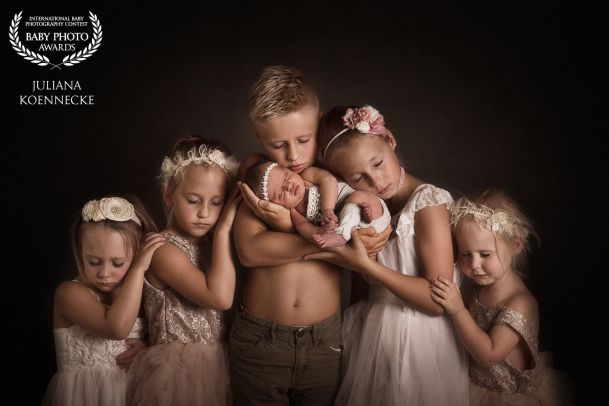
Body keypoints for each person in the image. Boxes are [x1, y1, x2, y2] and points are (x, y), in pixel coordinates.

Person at [231, 66, 391, 406]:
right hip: (262, 338)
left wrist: (304, 232)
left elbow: (364, 235)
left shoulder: (337, 175)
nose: (293, 156)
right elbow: (251, 251)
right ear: (260, 139)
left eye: (303, 140)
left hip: (325, 341)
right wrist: (324, 241)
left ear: (317, 124)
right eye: (278, 144)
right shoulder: (264, 182)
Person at [306, 104, 469, 405]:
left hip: (418, 339)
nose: (376, 182)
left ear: (390, 141)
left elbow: (437, 302)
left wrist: (360, 263)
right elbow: (359, 290)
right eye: (359, 178)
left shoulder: (428, 204)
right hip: (369, 334)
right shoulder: (359, 210)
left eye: (378, 163)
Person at [430, 189, 576, 406]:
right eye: (465, 254)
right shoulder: (478, 288)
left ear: (516, 245)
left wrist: (458, 310)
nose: (474, 265)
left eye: (485, 254)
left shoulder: (521, 302)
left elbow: (489, 355)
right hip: (474, 384)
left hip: (506, 397)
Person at [126, 136, 241, 405]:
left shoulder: (211, 245)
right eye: (193, 200)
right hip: (176, 371)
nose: (205, 213)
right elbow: (220, 298)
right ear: (168, 194)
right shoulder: (162, 250)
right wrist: (223, 229)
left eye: (216, 203)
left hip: (219, 364)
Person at [43, 196, 165, 406]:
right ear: (80, 253)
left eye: (117, 263)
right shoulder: (69, 293)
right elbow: (116, 328)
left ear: (135, 254)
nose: (105, 273)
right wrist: (137, 268)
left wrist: (144, 349)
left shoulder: (138, 295)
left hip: (131, 394)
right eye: (94, 262)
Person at [244, 159, 391, 248]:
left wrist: (327, 209)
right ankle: (358, 221)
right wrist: (321, 232)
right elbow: (305, 228)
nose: (288, 186)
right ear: (277, 205)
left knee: (358, 198)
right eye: (281, 193)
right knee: (350, 213)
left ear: (289, 170)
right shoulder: (295, 213)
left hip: (375, 211)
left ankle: (360, 219)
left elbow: (329, 181)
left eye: (286, 177)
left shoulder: (307, 176)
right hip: (358, 232)